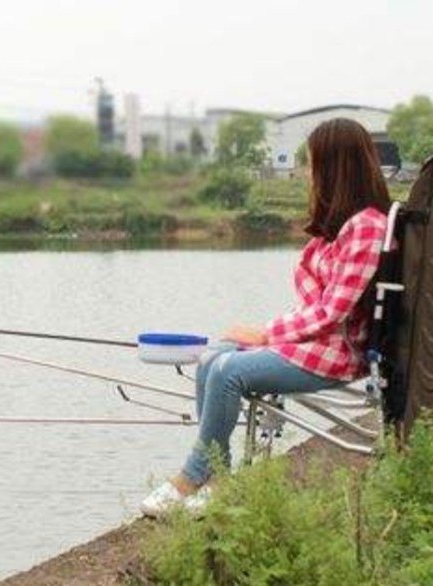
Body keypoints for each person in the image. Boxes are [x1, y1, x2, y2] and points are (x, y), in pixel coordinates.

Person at [140, 118, 392, 517]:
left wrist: (265, 334)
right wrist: (269, 336)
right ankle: (220, 481)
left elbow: (332, 314)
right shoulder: (339, 229)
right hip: (316, 344)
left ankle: (193, 476)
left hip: (338, 353)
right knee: (211, 358)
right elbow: (317, 309)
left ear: (335, 168)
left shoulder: (366, 227)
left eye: (312, 164)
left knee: (228, 372)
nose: (308, 174)